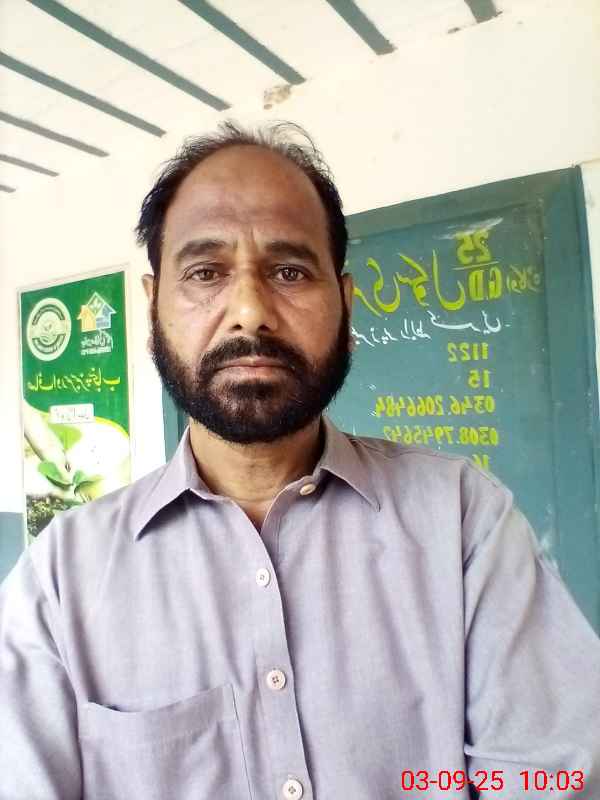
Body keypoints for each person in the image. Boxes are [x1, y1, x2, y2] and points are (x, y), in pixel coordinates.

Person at [1, 121, 599, 800]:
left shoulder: (463, 521)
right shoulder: (61, 580)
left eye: (289, 271)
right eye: (205, 273)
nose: (249, 312)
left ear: (345, 303)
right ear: (153, 306)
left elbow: (547, 778)